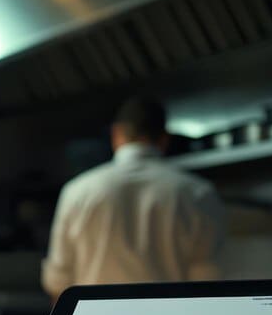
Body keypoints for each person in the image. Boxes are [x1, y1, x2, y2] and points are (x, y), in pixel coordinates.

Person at [42, 96, 225, 299]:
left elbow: (57, 280)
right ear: (164, 139)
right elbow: (206, 279)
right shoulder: (197, 193)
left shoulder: (76, 191)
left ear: (116, 133)